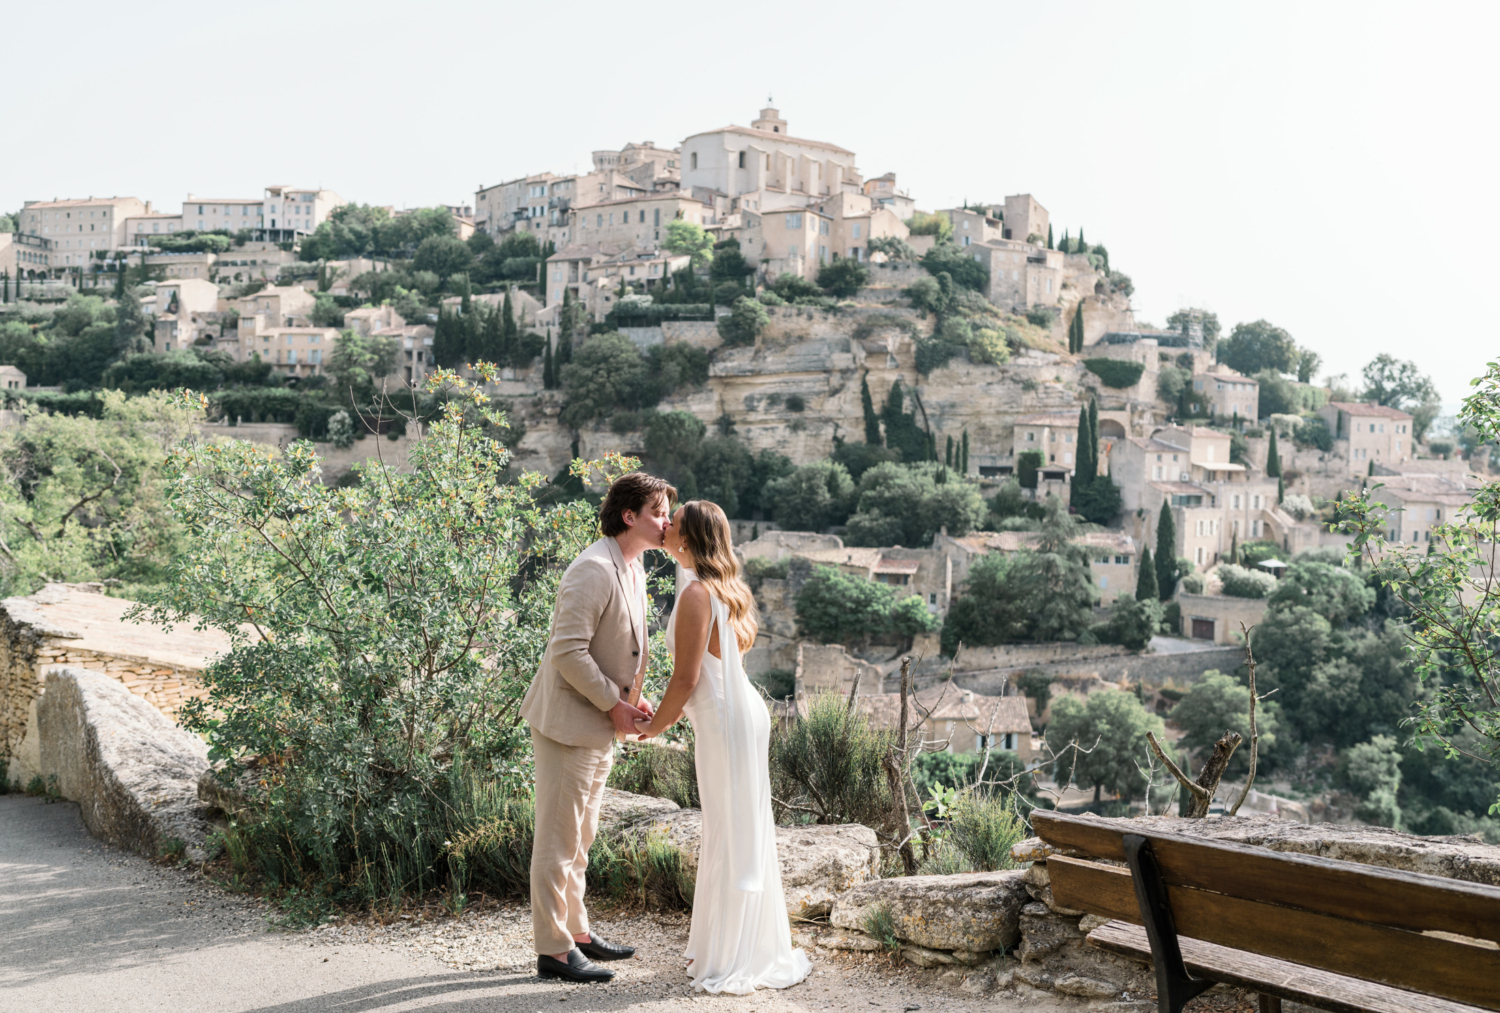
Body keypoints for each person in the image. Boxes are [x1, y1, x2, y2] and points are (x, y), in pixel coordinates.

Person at [633, 500, 813, 995]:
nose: (665, 527)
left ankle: (732, 954)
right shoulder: (724, 590)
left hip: (725, 721)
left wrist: (655, 728)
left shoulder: (695, 594)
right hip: (742, 715)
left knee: (730, 832)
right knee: (735, 829)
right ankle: (728, 945)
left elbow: (687, 678)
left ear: (688, 541)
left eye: (673, 524)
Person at [518, 471, 675, 983]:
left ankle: (578, 932)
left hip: (599, 721)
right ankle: (554, 950)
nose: (667, 521)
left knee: (581, 838)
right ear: (629, 516)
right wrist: (614, 703)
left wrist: (631, 697)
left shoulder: (631, 566)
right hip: (568, 722)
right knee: (558, 841)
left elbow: (616, 646)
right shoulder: (592, 568)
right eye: (658, 511)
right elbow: (566, 650)